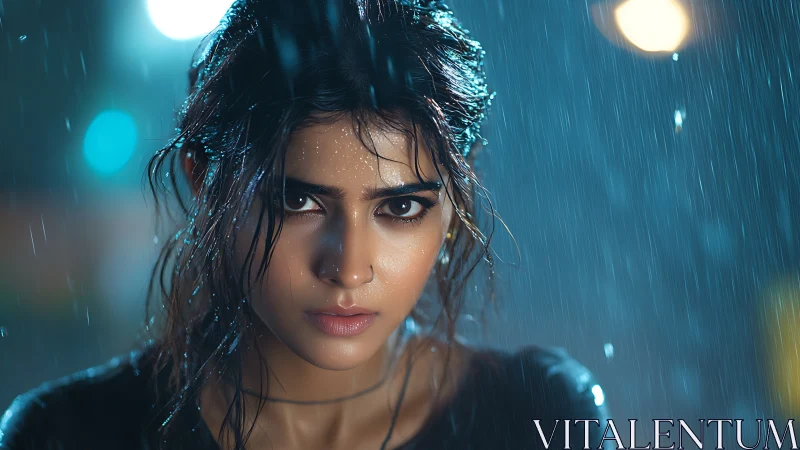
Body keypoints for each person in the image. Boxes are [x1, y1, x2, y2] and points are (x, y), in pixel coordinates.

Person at [0, 0, 611, 449]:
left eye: (400, 208)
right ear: (204, 181)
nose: (348, 268)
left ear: (456, 199)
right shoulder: (70, 433)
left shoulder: (539, 416)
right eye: (298, 202)